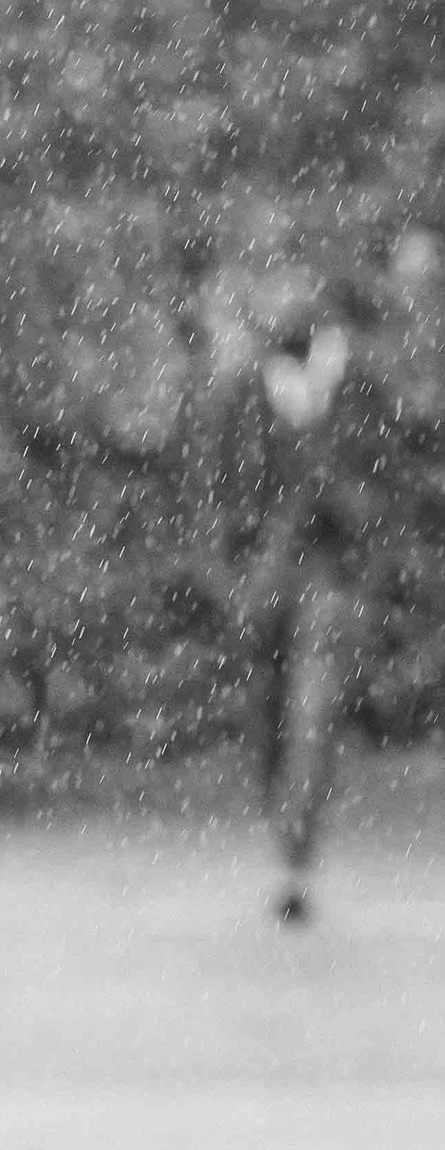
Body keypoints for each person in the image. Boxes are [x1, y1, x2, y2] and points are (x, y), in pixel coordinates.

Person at [195, 263, 393, 924]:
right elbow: (216, 499)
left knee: (312, 715)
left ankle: (295, 859)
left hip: (328, 577)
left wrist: (325, 472)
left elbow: (380, 492)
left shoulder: (355, 389)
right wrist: (231, 582)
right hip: (261, 581)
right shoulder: (244, 391)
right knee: (268, 723)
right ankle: (286, 830)